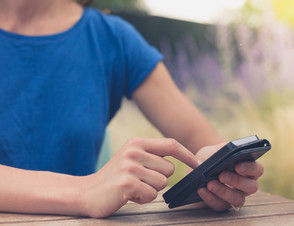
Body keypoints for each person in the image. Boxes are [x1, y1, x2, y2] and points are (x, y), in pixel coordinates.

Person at [0, 0, 264, 218]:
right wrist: (84, 191)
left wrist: (219, 177)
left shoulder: (111, 38)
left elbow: (204, 145)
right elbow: (88, 192)